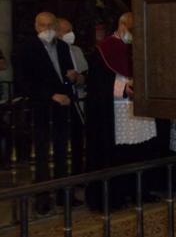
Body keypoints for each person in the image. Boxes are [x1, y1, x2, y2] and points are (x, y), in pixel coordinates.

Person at [85, 12, 159, 211]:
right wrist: (123, 88)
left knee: (141, 150)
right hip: (116, 110)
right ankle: (116, 195)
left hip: (139, 109)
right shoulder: (103, 49)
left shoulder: (139, 45)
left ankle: (141, 191)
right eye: (132, 30)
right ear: (122, 25)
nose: (134, 34)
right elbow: (98, 84)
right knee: (119, 154)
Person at [16, 11, 82, 212]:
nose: (47, 30)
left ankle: (64, 194)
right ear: (36, 27)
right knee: (43, 153)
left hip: (62, 106)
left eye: (51, 26)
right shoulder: (27, 49)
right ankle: (43, 198)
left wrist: (71, 78)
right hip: (41, 106)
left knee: (63, 151)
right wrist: (50, 95)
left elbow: (65, 75)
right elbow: (24, 82)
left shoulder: (62, 47)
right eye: (43, 26)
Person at [57, 17, 88, 173]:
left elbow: (84, 73)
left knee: (78, 138)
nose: (71, 34)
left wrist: (80, 78)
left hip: (78, 98)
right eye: (67, 31)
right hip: (62, 100)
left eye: (71, 30)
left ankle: (77, 172)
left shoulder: (76, 50)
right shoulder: (55, 50)